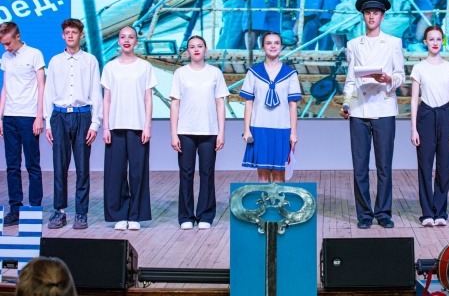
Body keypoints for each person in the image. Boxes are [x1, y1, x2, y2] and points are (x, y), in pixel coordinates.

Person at [340, 0, 405, 229]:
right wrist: (346, 103)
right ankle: (364, 214)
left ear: (382, 17)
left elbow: (401, 75)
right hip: (359, 109)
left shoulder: (393, 42)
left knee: (384, 166)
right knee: (360, 167)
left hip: (384, 107)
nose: (371, 17)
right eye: (368, 13)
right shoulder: (353, 44)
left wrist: (388, 79)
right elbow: (351, 78)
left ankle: (384, 212)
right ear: (363, 16)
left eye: (375, 13)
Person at [43, 19, 102, 230]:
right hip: (59, 116)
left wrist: (95, 123)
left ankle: (81, 213)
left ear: (81, 35)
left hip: (82, 116)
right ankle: (59, 211)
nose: (70, 35)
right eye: (67, 32)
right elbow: (48, 92)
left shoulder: (90, 60)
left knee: (82, 167)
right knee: (59, 166)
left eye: (74, 32)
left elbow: (96, 91)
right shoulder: (55, 61)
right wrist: (48, 123)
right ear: (63, 35)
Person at [101, 26, 158, 230]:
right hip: (115, 127)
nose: (127, 40)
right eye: (123, 37)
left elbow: (148, 99)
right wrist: (105, 127)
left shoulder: (145, 67)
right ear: (118, 41)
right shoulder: (110, 67)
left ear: (136, 42)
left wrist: (147, 126)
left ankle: (135, 215)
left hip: (138, 126)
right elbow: (106, 100)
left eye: (131, 37)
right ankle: (119, 215)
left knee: (137, 173)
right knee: (115, 173)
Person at [170, 36, 229, 230]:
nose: (196, 49)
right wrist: (173, 133)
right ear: (187, 51)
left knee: (207, 173)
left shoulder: (215, 73)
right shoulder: (180, 73)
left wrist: (221, 132)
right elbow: (175, 104)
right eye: (192, 47)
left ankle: (205, 215)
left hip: (209, 131)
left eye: (200, 46)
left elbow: (220, 104)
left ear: (205, 49)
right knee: (186, 174)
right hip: (185, 131)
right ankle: (186, 216)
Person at [410, 26, 449, 227]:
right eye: (431, 39)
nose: (435, 43)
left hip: (446, 116)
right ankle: (427, 213)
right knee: (425, 166)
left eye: (439, 39)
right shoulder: (419, 68)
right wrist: (414, 129)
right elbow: (414, 100)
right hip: (426, 115)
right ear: (425, 42)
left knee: (444, 167)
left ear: (443, 41)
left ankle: (441, 212)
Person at [240, 32, 301, 182]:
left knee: (280, 174)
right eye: (268, 43)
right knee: (262, 173)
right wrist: (247, 130)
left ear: (281, 47)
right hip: (259, 127)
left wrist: (293, 133)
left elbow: (293, 105)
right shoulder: (254, 72)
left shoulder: (290, 74)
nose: (273, 46)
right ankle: (264, 198)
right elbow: (249, 103)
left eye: (276, 43)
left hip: (282, 128)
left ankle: (278, 198)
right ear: (262, 47)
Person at [0, 22, 45, 227]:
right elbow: (5, 87)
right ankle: (15, 209)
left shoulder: (35, 54)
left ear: (17, 36)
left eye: (8, 43)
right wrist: (0, 116)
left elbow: (42, 86)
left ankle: (35, 208)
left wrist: (39, 116)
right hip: (9, 116)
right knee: (12, 166)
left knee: (32, 164)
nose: (6, 47)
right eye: (3, 44)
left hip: (28, 116)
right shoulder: (6, 57)